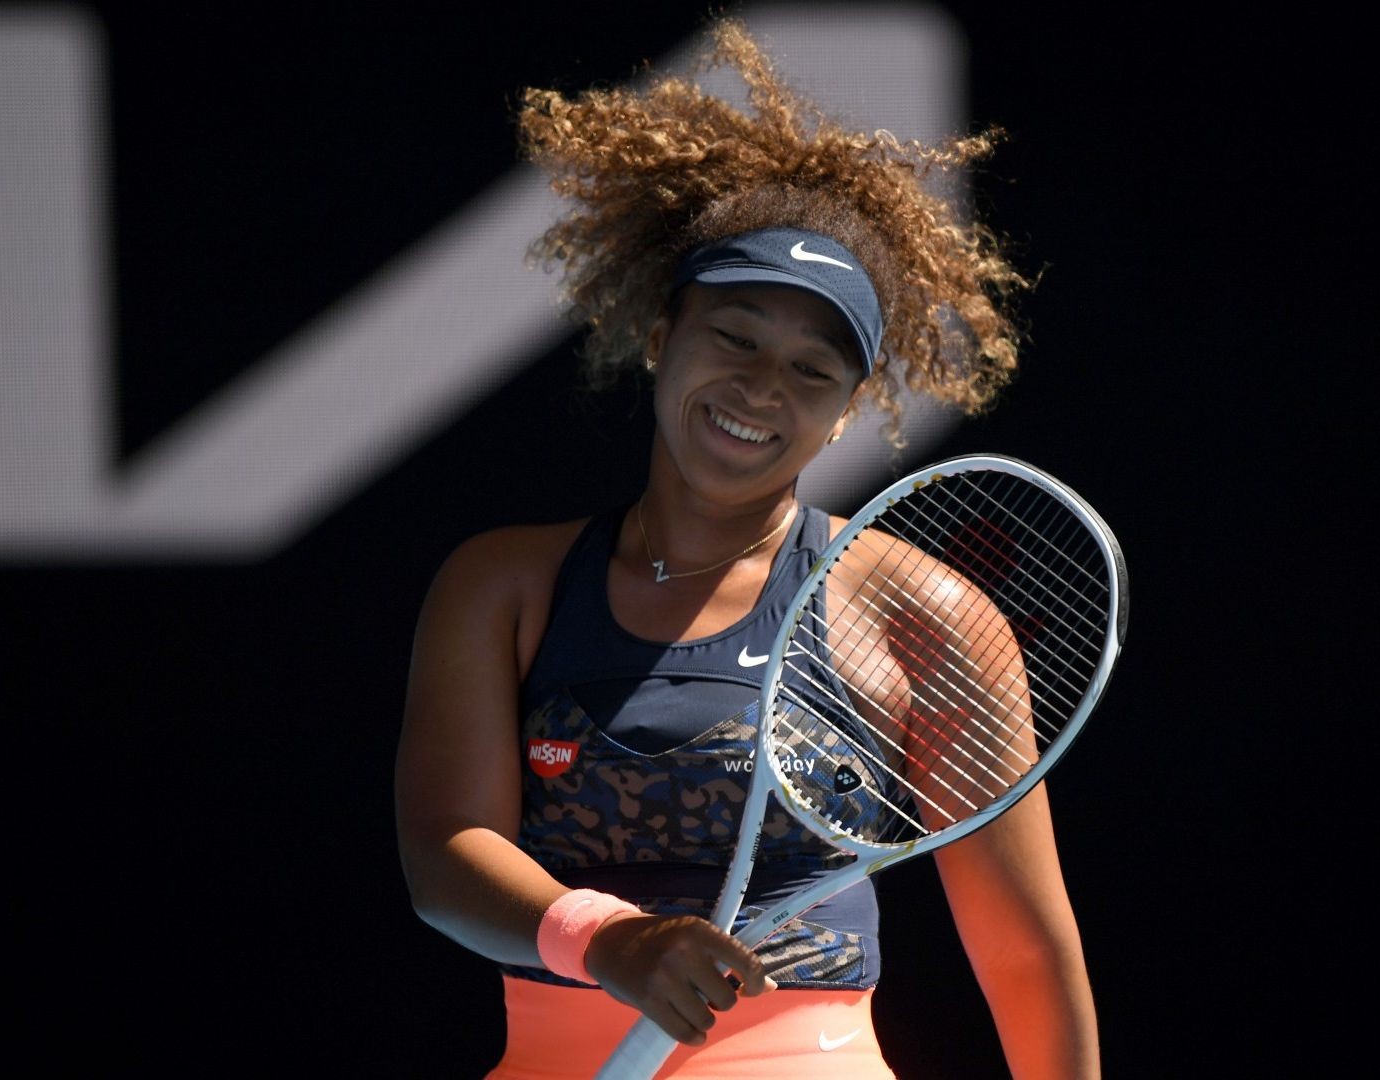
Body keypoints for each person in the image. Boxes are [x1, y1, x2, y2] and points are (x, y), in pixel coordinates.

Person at [394, 18, 1099, 1078]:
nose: (763, 387)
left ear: (847, 411)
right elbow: (445, 852)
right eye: (734, 337)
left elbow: (1025, 955)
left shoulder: (930, 618)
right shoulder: (500, 586)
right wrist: (610, 940)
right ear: (659, 338)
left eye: (812, 370)